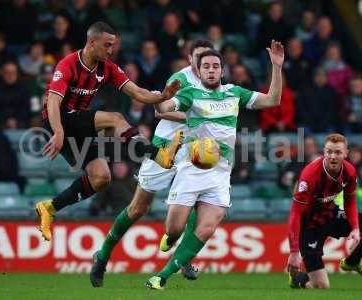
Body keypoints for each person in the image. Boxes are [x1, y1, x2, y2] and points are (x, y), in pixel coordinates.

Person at [145, 40, 284, 290]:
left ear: (222, 71)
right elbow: (164, 108)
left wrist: (276, 66)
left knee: (207, 228)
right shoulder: (191, 94)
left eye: (215, 66)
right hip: (191, 168)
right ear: (199, 71)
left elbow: (273, 100)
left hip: (220, 173)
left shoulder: (234, 93)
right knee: (174, 227)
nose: (211, 69)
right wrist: (161, 98)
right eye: (206, 66)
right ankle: (172, 236)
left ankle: (162, 276)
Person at [35, 22, 180, 242]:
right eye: (107, 45)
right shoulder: (68, 65)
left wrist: (163, 96)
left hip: (78, 125)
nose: (111, 50)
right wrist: (58, 131)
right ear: (92, 43)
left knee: (101, 177)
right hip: (58, 120)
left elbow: (138, 93)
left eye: (113, 45)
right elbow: (53, 101)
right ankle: (158, 154)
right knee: (115, 119)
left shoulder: (108, 68)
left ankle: (50, 207)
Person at [89, 39, 214, 288]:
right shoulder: (179, 79)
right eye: (198, 58)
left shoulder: (214, 83)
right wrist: (196, 114)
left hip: (192, 151)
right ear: (190, 59)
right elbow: (160, 111)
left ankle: (184, 257)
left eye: (207, 59)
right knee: (138, 209)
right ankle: (102, 256)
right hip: (164, 149)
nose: (203, 64)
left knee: (200, 203)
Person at [287, 133, 362, 289]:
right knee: (322, 286)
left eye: (338, 152)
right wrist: (294, 253)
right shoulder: (310, 175)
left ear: (346, 153)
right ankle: (298, 279)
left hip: (330, 215)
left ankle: (352, 262)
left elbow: (350, 202)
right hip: (309, 226)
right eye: (329, 152)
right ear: (324, 152)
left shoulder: (349, 171)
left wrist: (355, 228)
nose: (333, 156)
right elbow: (295, 214)